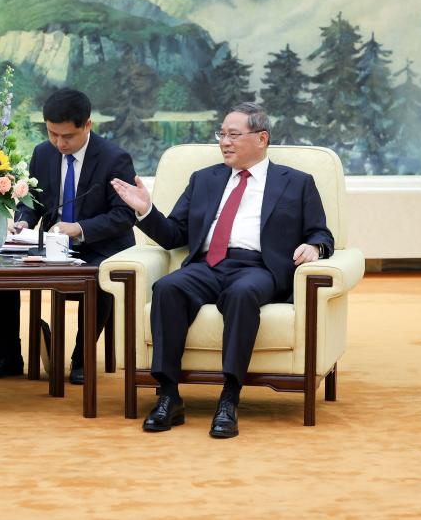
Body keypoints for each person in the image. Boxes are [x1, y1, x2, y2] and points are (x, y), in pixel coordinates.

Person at [110, 102, 333, 438]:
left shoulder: (297, 182)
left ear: (261, 138)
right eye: (222, 134)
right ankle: (168, 396)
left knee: (242, 294)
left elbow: (321, 233)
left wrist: (314, 247)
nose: (224, 142)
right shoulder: (204, 179)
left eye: (234, 135)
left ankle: (229, 398)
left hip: (258, 267)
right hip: (207, 265)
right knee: (167, 288)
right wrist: (146, 211)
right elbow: (173, 236)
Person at [0, 88, 138, 384]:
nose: (59, 143)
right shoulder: (43, 153)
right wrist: (23, 223)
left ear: (87, 125)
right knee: (1, 271)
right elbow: (33, 202)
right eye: (53, 134)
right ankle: (7, 356)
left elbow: (124, 215)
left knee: (98, 275)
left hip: (100, 246)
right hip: (53, 244)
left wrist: (80, 228)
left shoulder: (115, 158)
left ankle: (81, 358)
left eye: (67, 137)